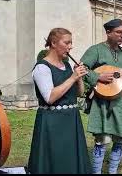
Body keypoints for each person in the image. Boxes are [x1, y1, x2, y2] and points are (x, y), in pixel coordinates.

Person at [80, 18, 122, 174]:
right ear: (108, 32)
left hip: (121, 102)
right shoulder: (96, 50)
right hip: (102, 102)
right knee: (102, 140)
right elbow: (82, 68)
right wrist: (98, 77)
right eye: (119, 32)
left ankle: (113, 171)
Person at [27, 28, 91, 174]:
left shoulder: (67, 65)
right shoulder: (42, 68)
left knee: (71, 161)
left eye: (71, 43)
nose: (70, 46)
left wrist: (79, 76)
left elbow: (79, 93)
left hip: (71, 120)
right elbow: (49, 97)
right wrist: (73, 77)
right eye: (67, 42)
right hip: (51, 123)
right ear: (54, 43)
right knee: (54, 161)